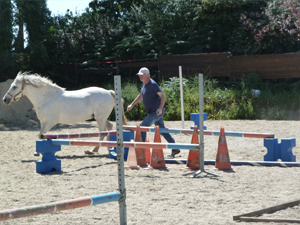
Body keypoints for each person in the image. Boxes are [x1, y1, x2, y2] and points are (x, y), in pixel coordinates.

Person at [127, 67, 180, 157]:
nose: (140, 76)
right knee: (162, 131)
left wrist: (160, 108)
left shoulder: (153, 84)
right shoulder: (144, 84)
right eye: (139, 75)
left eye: (141, 75)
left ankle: (142, 151)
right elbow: (141, 95)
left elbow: (163, 96)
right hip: (152, 112)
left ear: (147, 74)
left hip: (156, 112)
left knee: (142, 128)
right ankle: (175, 148)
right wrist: (132, 104)